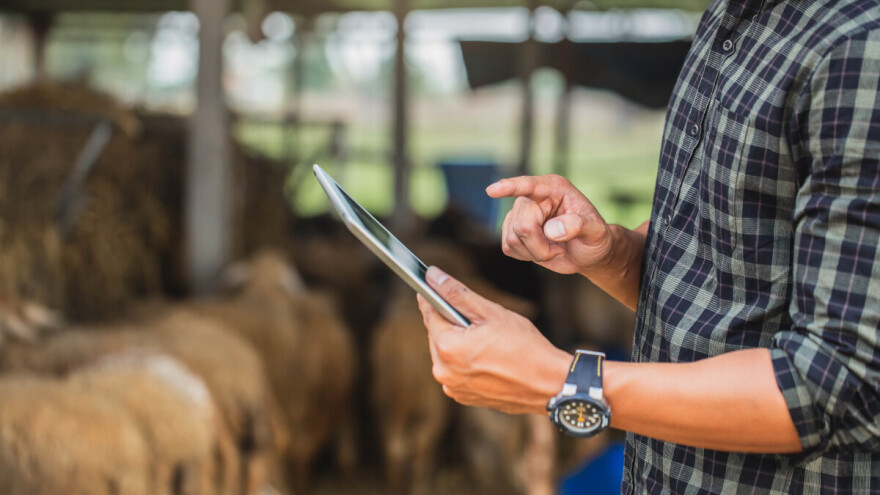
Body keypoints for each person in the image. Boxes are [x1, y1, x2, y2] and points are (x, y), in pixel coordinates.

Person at [416, 0, 880, 492]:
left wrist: (562, 382)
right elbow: (728, 292)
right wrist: (615, 253)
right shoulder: (729, 16)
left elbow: (840, 382)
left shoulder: (856, 46)